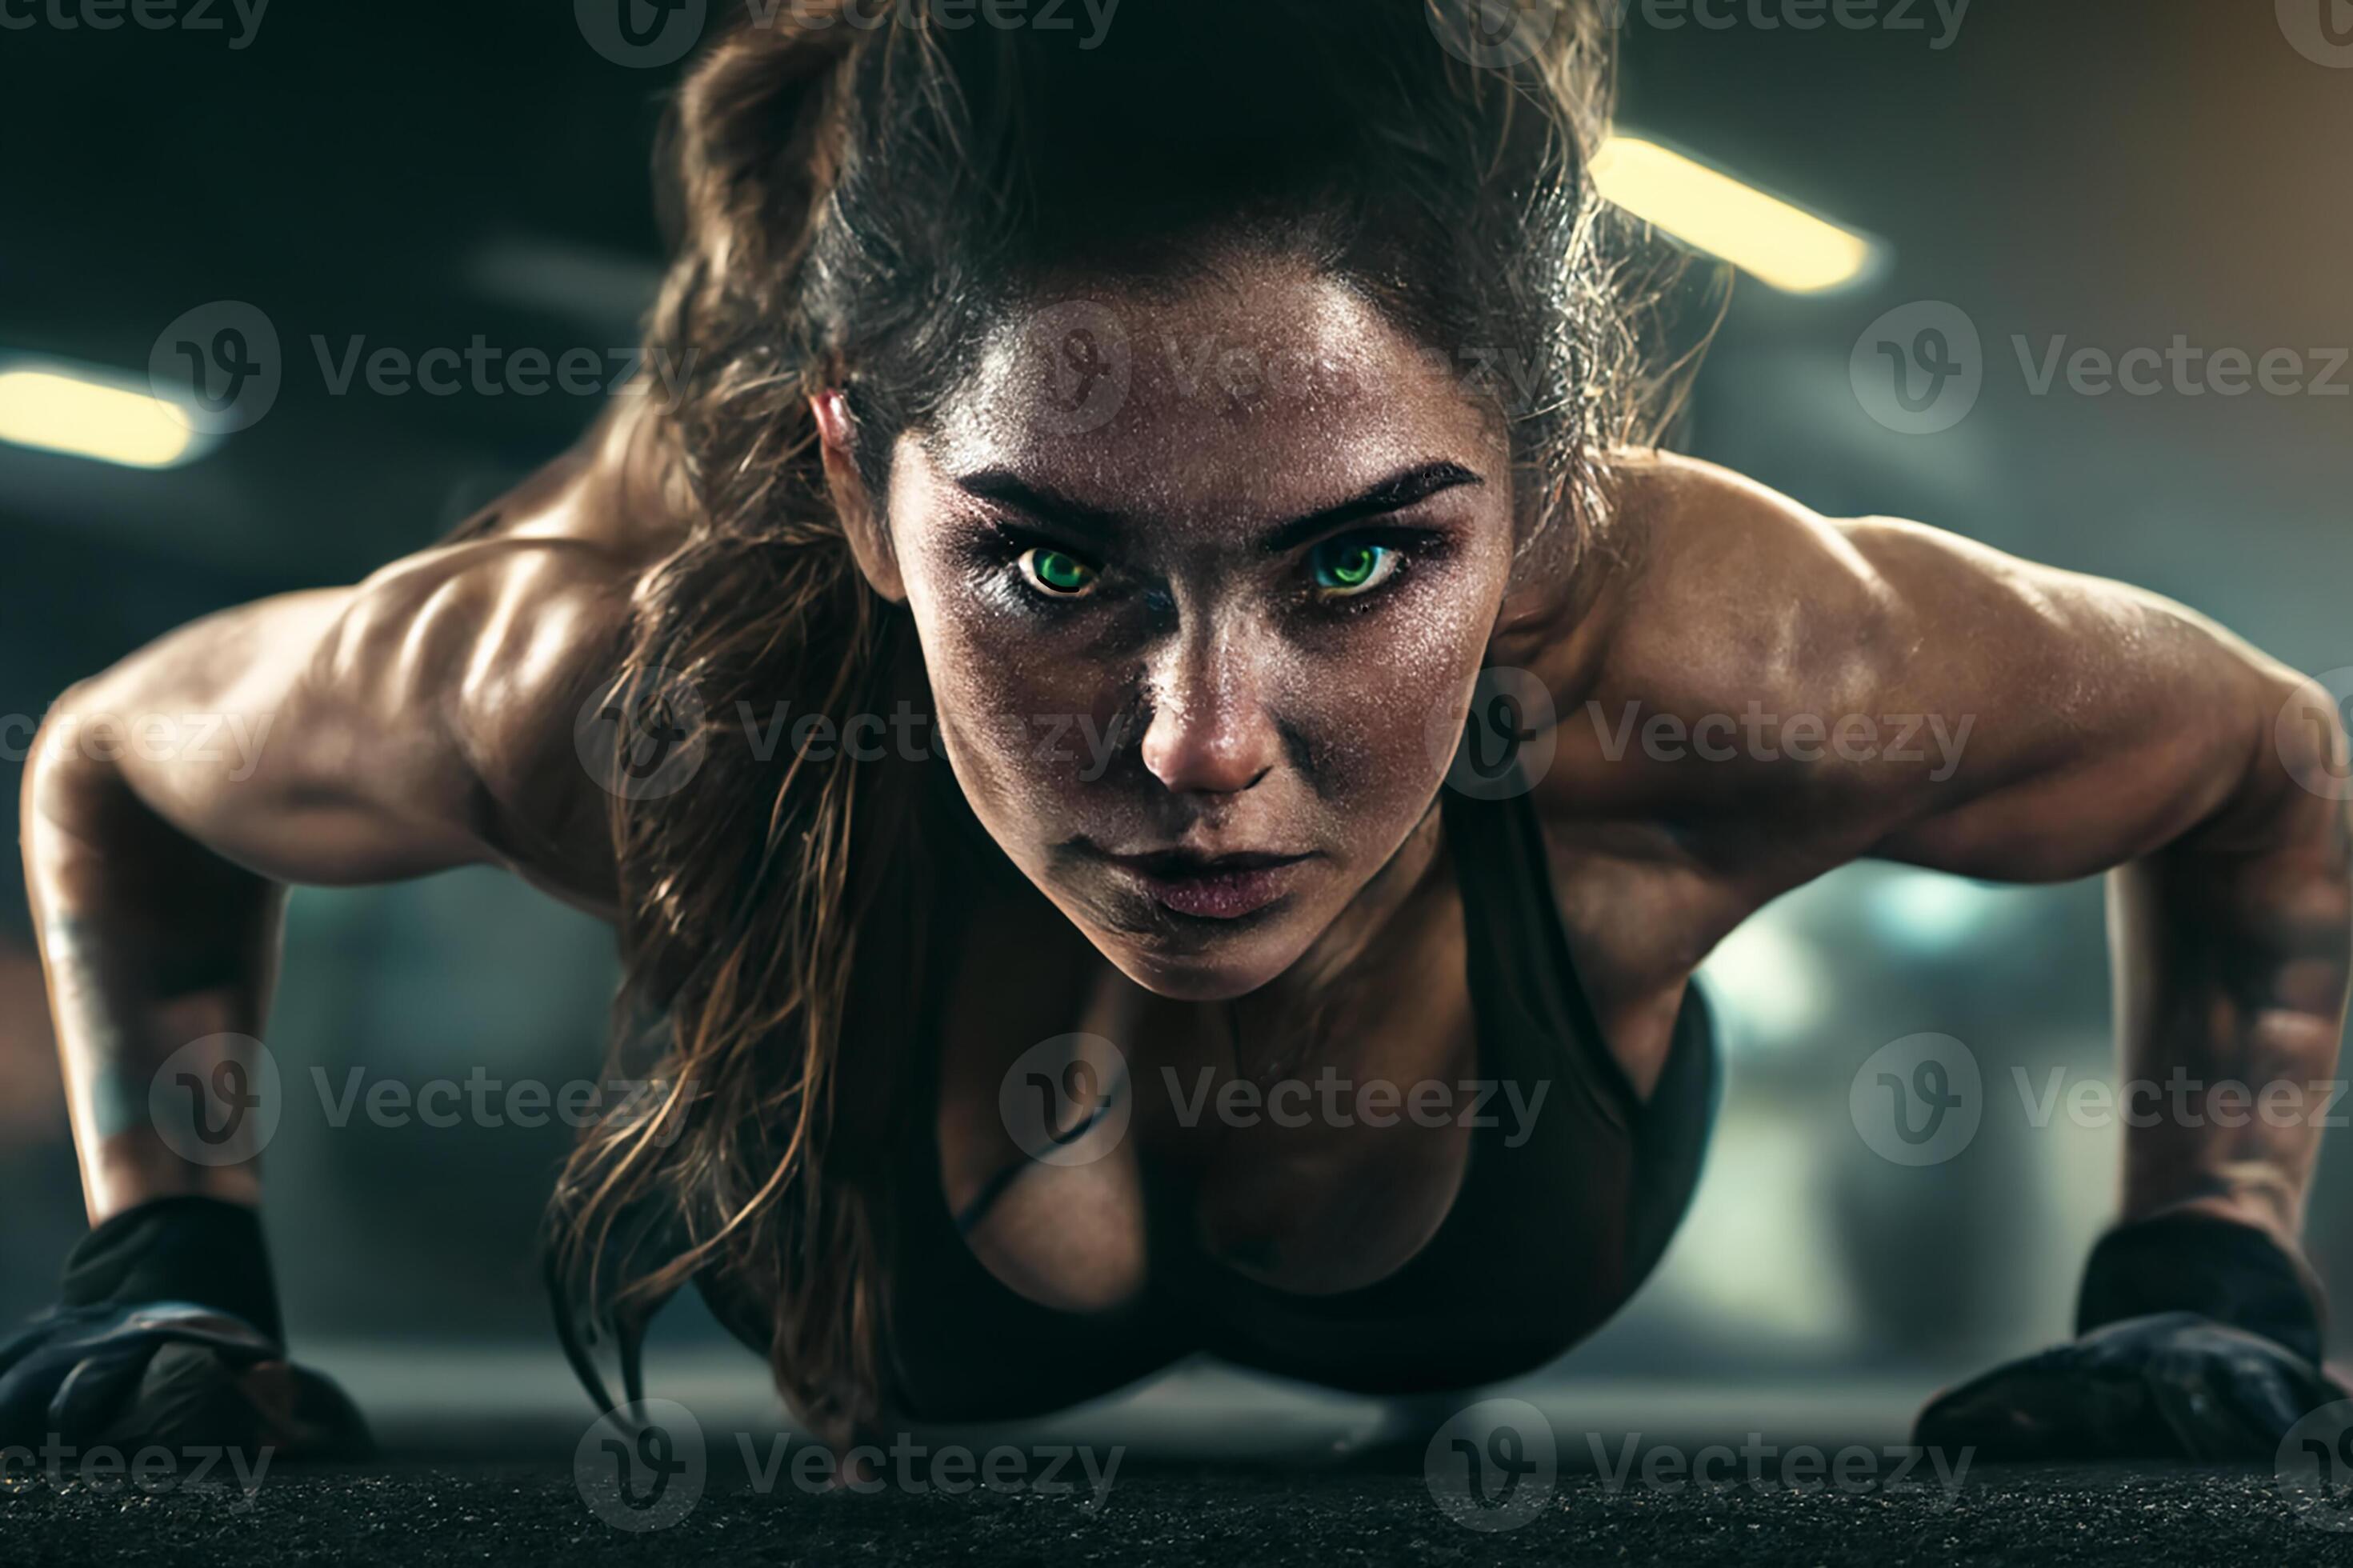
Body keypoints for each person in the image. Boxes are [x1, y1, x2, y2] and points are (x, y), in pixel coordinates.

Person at [7, 0, 2347, 1463]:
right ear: (860, 487)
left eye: (1353, 563)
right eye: (1051, 564)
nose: (1201, 751)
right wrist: (171, 1272)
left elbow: (2267, 764)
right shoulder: (615, 697)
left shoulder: (1731, 667)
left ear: (1535, 505)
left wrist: (2206, 1276)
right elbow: (113, 761)